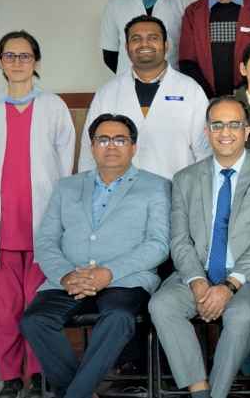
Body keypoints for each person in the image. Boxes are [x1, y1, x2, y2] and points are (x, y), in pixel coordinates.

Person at [149, 97, 250, 398]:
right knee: (161, 305)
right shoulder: (185, 178)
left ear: (246, 131)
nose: (225, 132)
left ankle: (217, 394)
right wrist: (197, 281)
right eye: (217, 125)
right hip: (198, 272)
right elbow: (179, 239)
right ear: (207, 131)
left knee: (240, 316)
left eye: (234, 125)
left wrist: (230, 285)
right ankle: (200, 390)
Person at [20, 114, 169, 398]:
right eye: (103, 139)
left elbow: (158, 244)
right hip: (70, 278)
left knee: (118, 318)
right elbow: (46, 241)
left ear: (133, 147)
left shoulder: (156, 186)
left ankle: (74, 393)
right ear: (92, 146)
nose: (111, 146)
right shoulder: (66, 186)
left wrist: (108, 272)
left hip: (126, 279)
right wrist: (66, 275)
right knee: (34, 320)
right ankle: (82, 391)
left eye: (120, 139)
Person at [0, 31, 74, 398]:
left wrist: (62, 218)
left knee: (38, 306)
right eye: (9, 56)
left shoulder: (54, 106)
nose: (17, 62)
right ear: (0, 62)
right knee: (5, 310)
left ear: (36, 61)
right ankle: (11, 376)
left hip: (43, 226)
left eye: (24, 56)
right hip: (3, 228)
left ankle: (41, 373)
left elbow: (66, 168)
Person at [80, 15, 210, 179]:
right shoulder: (107, 93)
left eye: (153, 38)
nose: (144, 44)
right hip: (118, 191)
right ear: (127, 47)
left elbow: (204, 151)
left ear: (166, 45)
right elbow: (89, 150)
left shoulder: (191, 90)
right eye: (136, 39)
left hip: (176, 189)